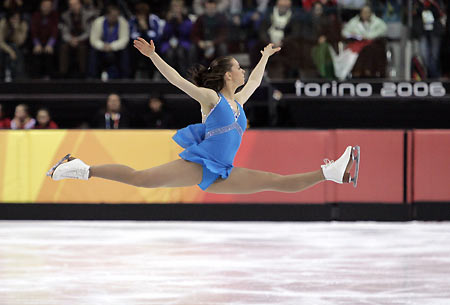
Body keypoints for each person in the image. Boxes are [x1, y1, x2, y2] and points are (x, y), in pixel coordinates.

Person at [47, 37, 360, 194]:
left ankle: (331, 173)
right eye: (238, 67)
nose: (243, 70)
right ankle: (80, 169)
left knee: (275, 182)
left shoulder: (238, 103)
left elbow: (254, 82)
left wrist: (264, 57)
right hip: (199, 166)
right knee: (140, 178)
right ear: (226, 76)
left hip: (223, 170)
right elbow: (178, 82)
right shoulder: (212, 100)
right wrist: (154, 55)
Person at [88, 4, 130, 79]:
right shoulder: (98, 22)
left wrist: (112, 46)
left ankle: (124, 78)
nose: (115, 18)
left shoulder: (122, 22)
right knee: (93, 52)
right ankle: (92, 77)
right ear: (107, 15)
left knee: (125, 52)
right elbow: (94, 39)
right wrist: (102, 46)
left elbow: (124, 39)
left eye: (116, 16)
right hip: (102, 49)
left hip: (116, 49)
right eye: (112, 16)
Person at [59, 0, 96, 78]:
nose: (73, 7)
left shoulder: (89, 15)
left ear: (80, 5)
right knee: (63, 47)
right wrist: (70, 40)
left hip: (83, 40)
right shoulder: (64, 16)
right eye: (71, 5)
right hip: (70, 40)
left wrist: (78, 39)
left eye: (75, 4)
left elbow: (89, 32)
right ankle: (63, 74)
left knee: (82, 48)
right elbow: (64, 32)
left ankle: (83, 74)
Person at [129, 1, 162, 79]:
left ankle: (152, 77)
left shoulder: (154, 19)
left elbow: (157, 36)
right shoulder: (133, 20)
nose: (141, 16)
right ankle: (131, 77)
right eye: (139, 14)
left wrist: (145, 29)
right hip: (136, 46)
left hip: (152, 45)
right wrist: (141, 31)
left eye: (143, 14)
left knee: (153, 49)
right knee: (131, 50)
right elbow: (132, 36)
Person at [30, 0, 59, 79]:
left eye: (48, 6)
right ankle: (35, 78)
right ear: (41, 6)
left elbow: (55, 31)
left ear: (51, 7)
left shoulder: (54, 15)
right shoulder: (36, 15)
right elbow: (33, 31)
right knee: (36, 51)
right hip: (38, 42)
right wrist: (37, 44)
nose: (46, 8)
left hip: (50, 42)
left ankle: (50, 77)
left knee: (49, 52)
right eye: (44, 6)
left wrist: (50, 44)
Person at [0, 10, 27, 81]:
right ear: (9, 18)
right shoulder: (3, 23)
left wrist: (16, 29)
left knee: (14, 47)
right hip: (4, 46)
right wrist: (10, 51)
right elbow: (0, 41)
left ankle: (16, 76)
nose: (15, 20)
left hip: (17, 47)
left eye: (17, 18)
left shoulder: (23, 24)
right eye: (13, 18)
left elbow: (20, 42)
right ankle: (4, 74)